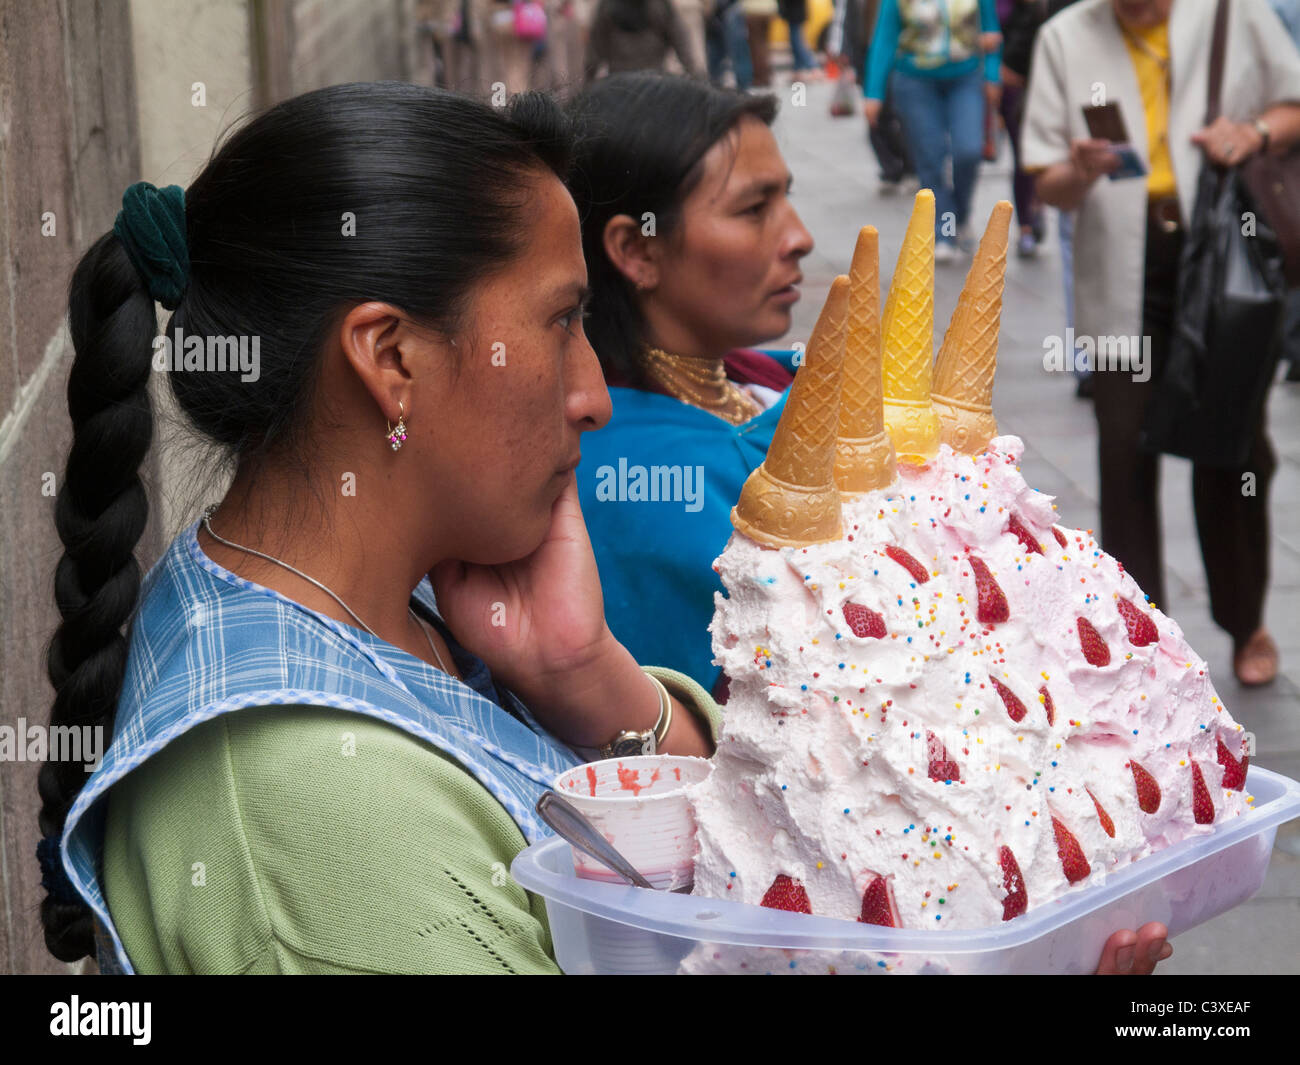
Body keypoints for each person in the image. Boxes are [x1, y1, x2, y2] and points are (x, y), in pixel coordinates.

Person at [38, 83, 718, 975]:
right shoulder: (322, 811)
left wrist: (586, 677)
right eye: (562, 321)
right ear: (392, 359)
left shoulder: (366, 594)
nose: (594, 397)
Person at [1022, 0, 1300, 686]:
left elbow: (1293, 103)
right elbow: (1048, 182)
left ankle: (1245, 620)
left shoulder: (1232, 11)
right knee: (1125, 449)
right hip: (1125, 269)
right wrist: (1081, 168)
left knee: (1233, 446)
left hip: (1221, 258)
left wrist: (1255, 131)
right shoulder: (1065, 37)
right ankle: (1143, 641)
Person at [863, 0, 1003, 260]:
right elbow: (885, 37)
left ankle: (959, 216)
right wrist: (874, 92)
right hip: (915, 80)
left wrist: (992, 75)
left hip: (965, 76)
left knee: (969, 151)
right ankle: (945, 232)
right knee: (931, 159)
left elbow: (991, 30)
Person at [584, 0, 704, 80]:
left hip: (632, 83)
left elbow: (594, 53)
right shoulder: (661, 6)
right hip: (647, 82)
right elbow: (683, 46)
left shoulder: (607, 6)